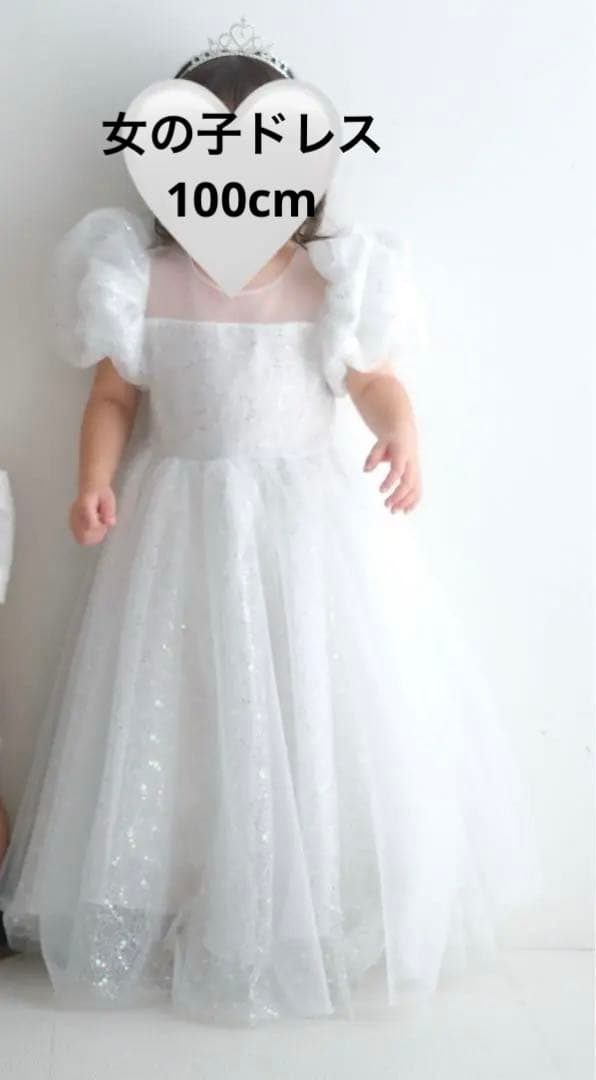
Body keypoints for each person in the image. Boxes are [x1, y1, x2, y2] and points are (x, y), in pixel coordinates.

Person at [0, 23, 542, 1027]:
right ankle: (199, 904)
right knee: (189, 711)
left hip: (307, 533)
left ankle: (308, 913)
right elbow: (113, 396)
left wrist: (402, 433)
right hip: (180, 527)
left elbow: (372, 381)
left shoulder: (330, 280)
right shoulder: (141, 278)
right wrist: (92, 481)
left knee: (308, 705)